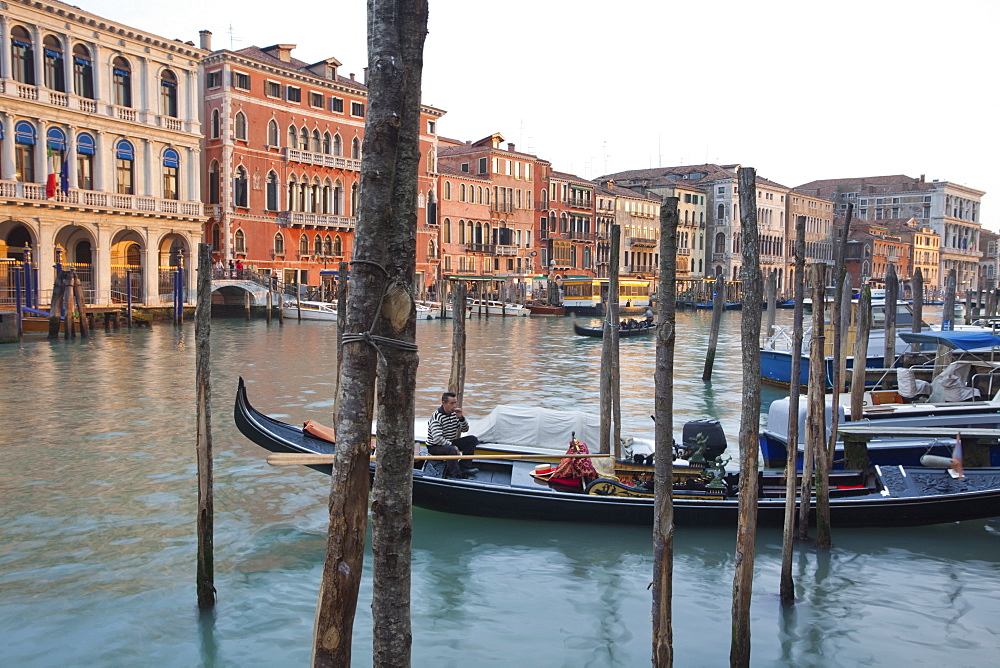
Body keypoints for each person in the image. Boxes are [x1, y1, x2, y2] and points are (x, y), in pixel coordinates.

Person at [427, 392, 479, 479]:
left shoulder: (454, 414)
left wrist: (461, 418)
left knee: (472, 440)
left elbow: (465, 429)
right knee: (451, 449)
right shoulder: (437, 417)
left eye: (455, 402)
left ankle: (464, 467)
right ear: (444, 403)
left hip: (449, 442)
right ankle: (456, 475)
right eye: (452, 403)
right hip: (435, 446)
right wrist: (453, 447)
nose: (454, 406)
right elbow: (437, 439)